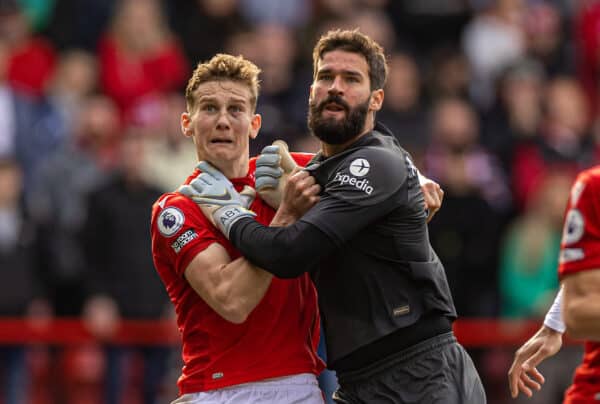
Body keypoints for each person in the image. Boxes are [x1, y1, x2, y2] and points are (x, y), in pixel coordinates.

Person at [182, 29, 485, 403]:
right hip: (356, 382)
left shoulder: (374, 162)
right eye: (325, 77)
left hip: (420, 374)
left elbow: (288, 254)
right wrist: (414, 175)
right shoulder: (318, 170)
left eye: (351, 79)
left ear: (376, 100)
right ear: (310, 91)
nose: (335, 87)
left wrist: (229, 214)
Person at [508, 166, 600, 403]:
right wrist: (545, 306)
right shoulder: (524, 235)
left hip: (577, 339)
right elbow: (513, 283)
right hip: (531, 330)